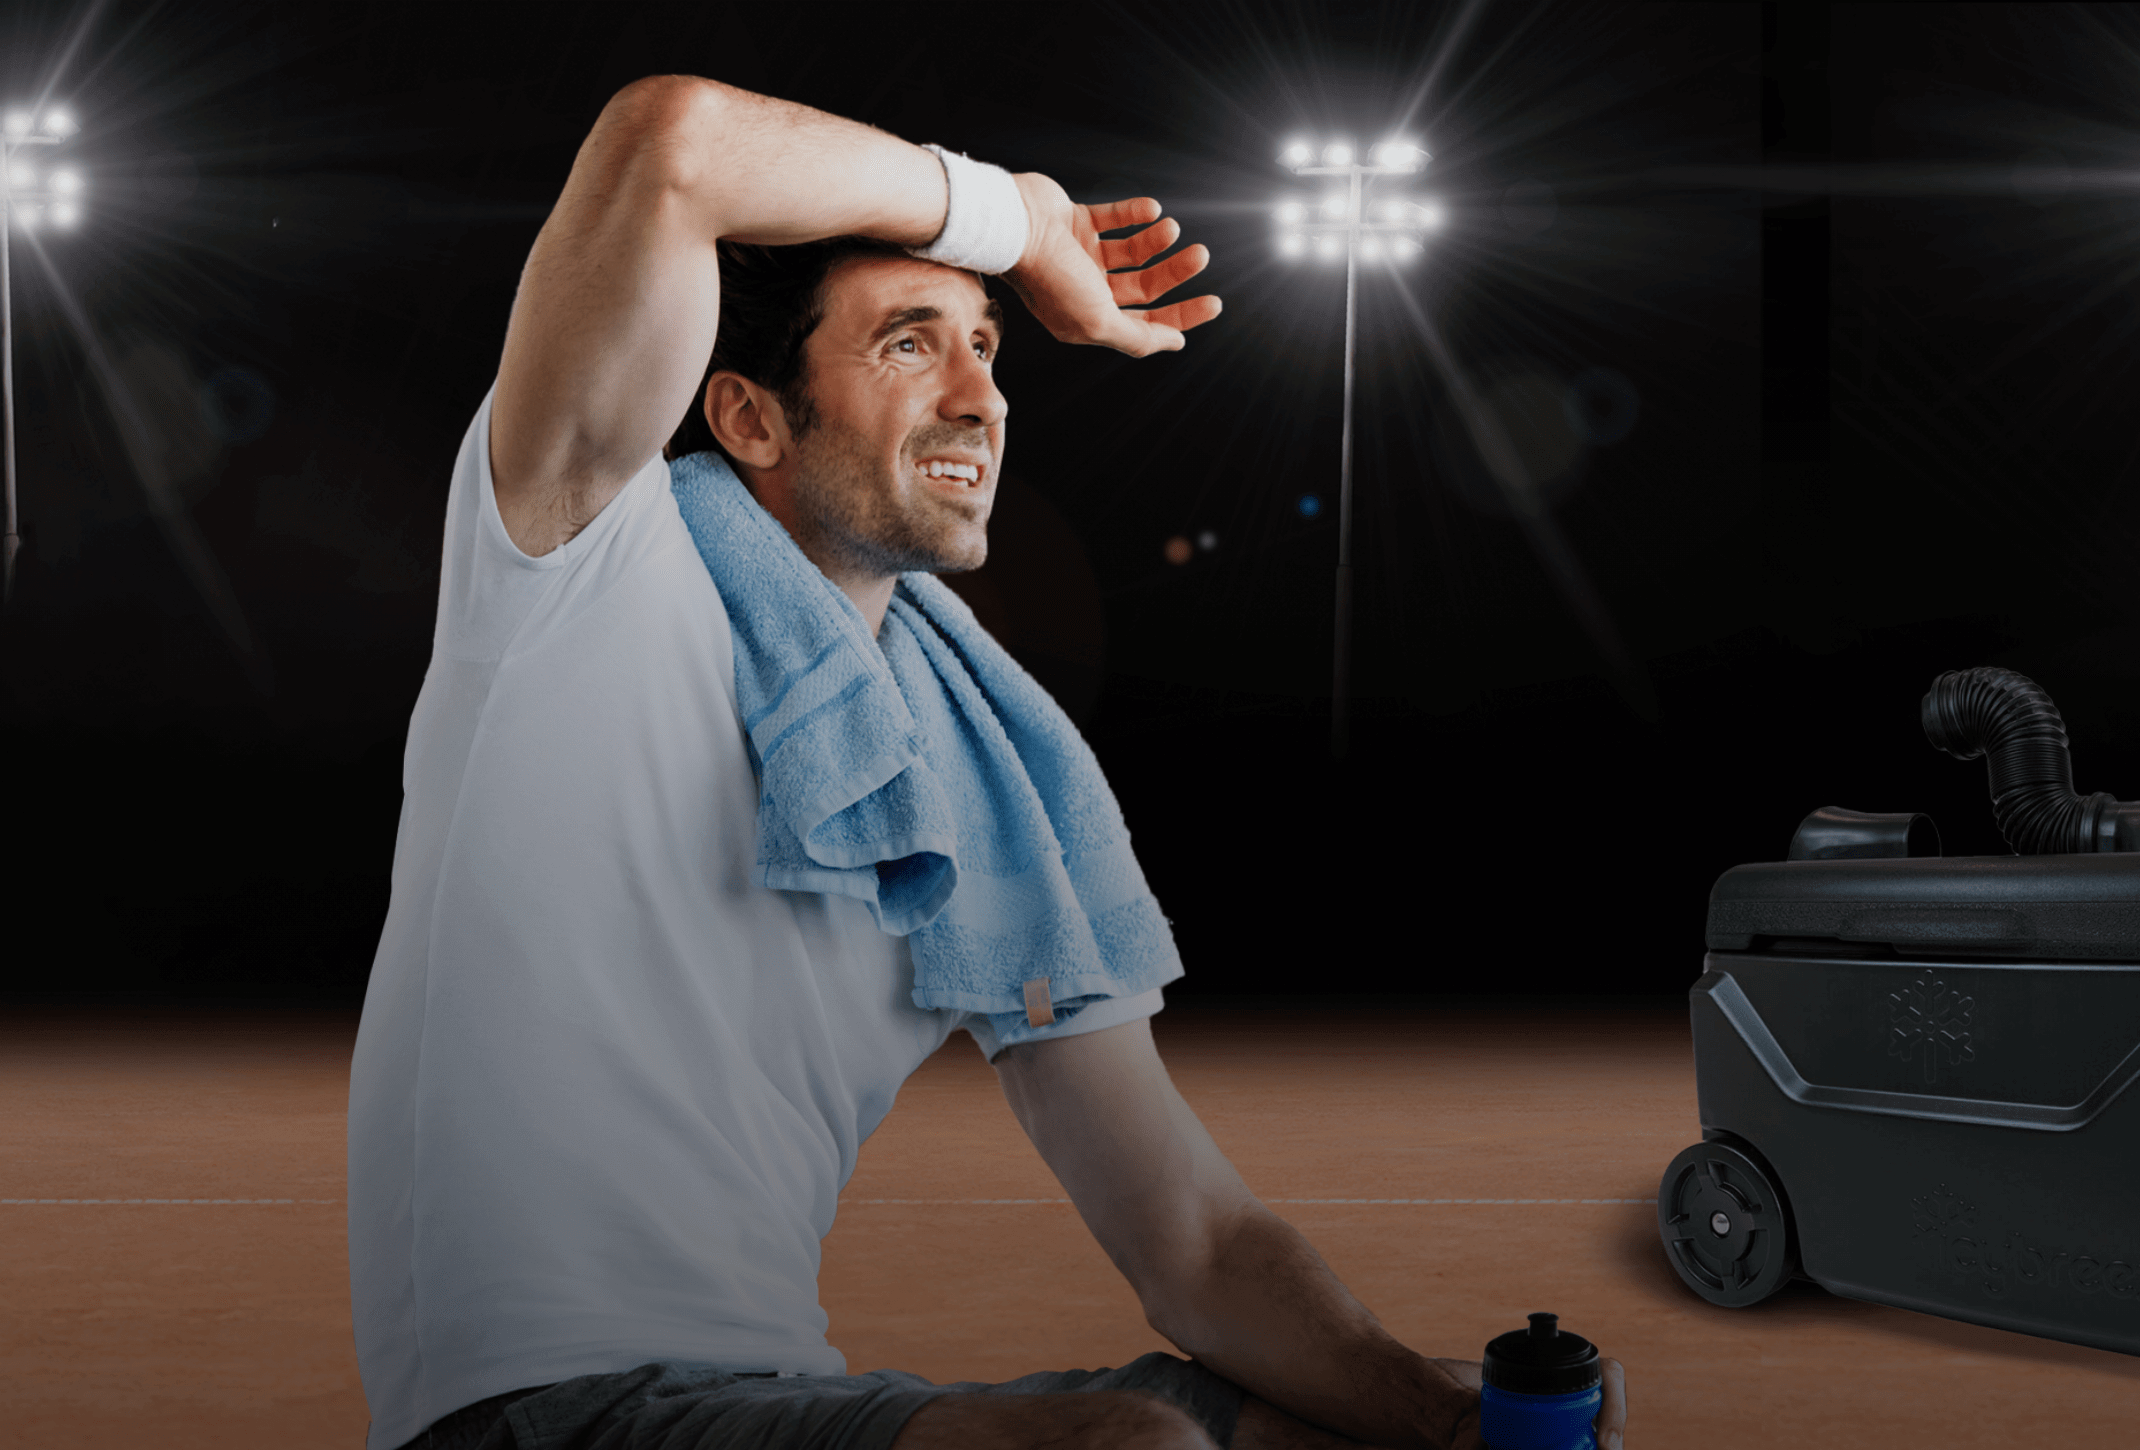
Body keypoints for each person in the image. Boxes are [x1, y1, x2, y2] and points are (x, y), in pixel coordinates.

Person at [346, 75, 1631, 1450]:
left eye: (990, 347)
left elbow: (1190, 1238)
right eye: (912, 344)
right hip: (531, 1414)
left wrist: (1445, 1419)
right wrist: (1015, 222)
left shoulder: (968, 758)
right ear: (749, 417)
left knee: (1363, 1414)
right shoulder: (581, 560)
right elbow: (673, 146)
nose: (981, 397)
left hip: (774, 1395)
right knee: (1135, 1448)